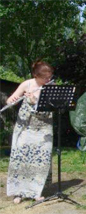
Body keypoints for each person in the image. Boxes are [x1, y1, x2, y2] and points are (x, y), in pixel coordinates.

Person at [6, 60, 54, 204]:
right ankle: (18, 192)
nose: (48, 80)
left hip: (43, 129)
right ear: (35, 75)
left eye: (49, 77)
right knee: (21, 157)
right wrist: (11, 100)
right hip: (25, 128)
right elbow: (9, 101)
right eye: (45, 78)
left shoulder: (51, 88)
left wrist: (35, 102)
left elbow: (52, 109)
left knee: (41, 160)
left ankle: (36, 191)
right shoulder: (26, 84)